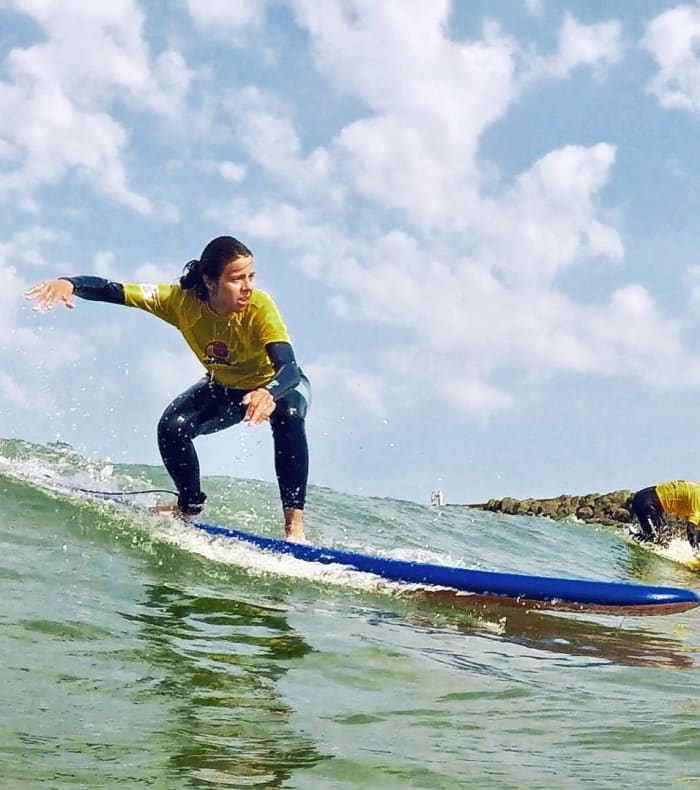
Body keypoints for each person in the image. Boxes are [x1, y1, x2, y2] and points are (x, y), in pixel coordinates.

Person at [24, 235, 310, 542]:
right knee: (172, 428)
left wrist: (268, 392)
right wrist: (70, 284)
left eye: (250, 276)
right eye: (237, 279)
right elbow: (114, 289)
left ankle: (294, 527)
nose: (247, 286)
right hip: (224, 389)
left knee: (290, 414)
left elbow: (289, 369)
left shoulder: (259, 306)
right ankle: (189, 507)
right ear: (210, 282)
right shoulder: (178, 301)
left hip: (278, 387)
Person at [629, 481, 700, 551]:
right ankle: (631, 537)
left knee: (665, 541)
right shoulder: (698, 499)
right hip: (646, 501)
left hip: (650, 503)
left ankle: (632, 536)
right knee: (657, 541)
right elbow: (690, 529)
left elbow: (697, 534)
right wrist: (696, 553)